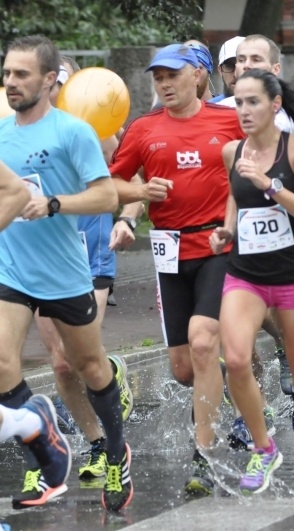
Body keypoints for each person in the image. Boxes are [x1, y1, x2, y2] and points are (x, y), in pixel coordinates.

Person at [0, 35, 132, 511]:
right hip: (11, 269)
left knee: (88, 367)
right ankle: (44, 452)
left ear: (50, 80)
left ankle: (115, 451)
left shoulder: (71, 132)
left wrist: (55, 203)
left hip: (63, 272)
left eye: (22, 75)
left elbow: (105, 196)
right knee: (1, 364)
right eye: (8, 73)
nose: (11, 82)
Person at [110, 43, 244, 495]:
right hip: (169, 250)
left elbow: (264, 160)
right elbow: (116, 181)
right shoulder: (144, 129)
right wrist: (134, 207)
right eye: (158, 77)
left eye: (173, 75)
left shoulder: (229, 120)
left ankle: (203, 456)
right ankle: (216, 384)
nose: (164, 84)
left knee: (205, 343)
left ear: (198, 77)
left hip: (218, 246)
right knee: (184, 369)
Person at [208, 68, 294, 503]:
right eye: (238, 101)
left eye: (252, 102)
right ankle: (264, 448)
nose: (243, 110)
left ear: (274, 105)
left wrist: (271, 185)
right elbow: (235, 197)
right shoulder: (233, 151)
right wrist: (226, 231)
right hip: (245, 275)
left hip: (292, 279)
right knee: (237, 360)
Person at [32, 57, 139, 484]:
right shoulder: (23, 134)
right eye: (49, 83)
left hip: (92, 258)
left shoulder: (100, 133)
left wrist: (128, 218)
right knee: (60, 363)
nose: (53, 91)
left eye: (59, 83)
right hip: (41, 260)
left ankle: (108, 378)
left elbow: (132, 182)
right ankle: (97, 443)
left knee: (80, 357)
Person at [215, 33, 294, 436]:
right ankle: (252, 422)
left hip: (289, 260)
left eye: (255, 58)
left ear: (275, 70)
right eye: (238, 60)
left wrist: (272, 185)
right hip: (240, 256)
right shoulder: (223, 115)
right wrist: (227, 228)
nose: (244, 66)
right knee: (233, 350)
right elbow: (234, 184)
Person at [210, 36, 244, 102]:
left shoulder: (267, 108)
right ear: (220, 70)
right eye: (229, 66)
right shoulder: (211, 107)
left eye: (242, 66)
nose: (235, 74)